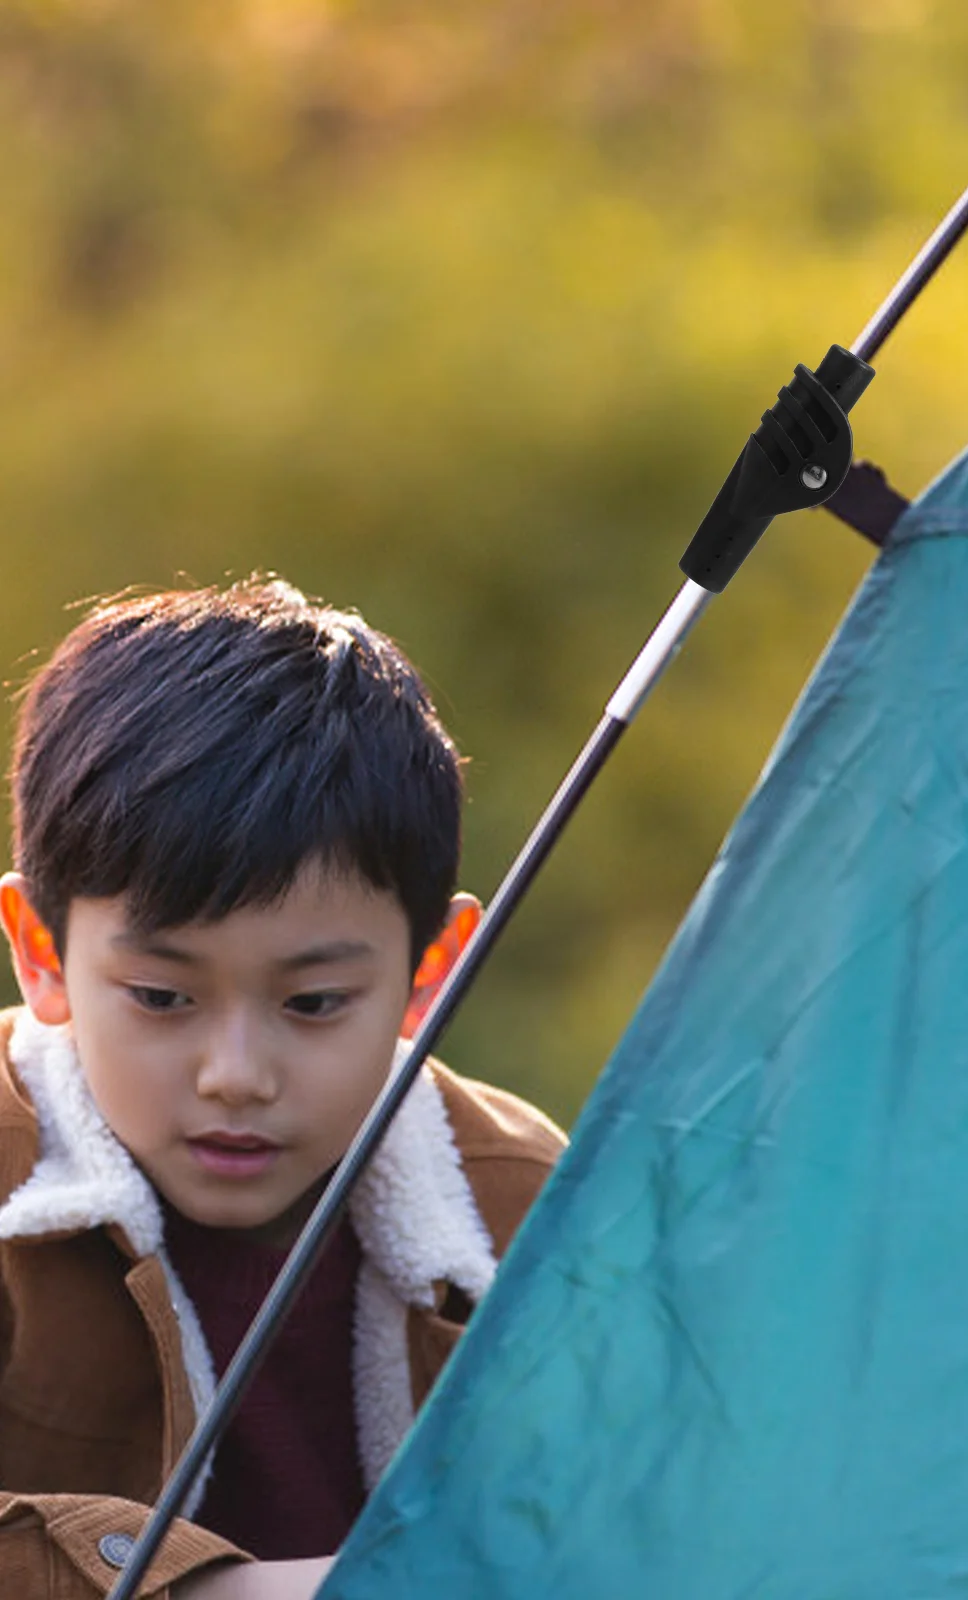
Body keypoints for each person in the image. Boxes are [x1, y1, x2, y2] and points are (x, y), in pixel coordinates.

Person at [0, 580, 568, 1599]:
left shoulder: (526, 1211)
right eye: (163, 994)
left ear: (429, 972)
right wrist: (213, 1588)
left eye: (311, 1003)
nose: (236, 1075)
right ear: (41, 953)